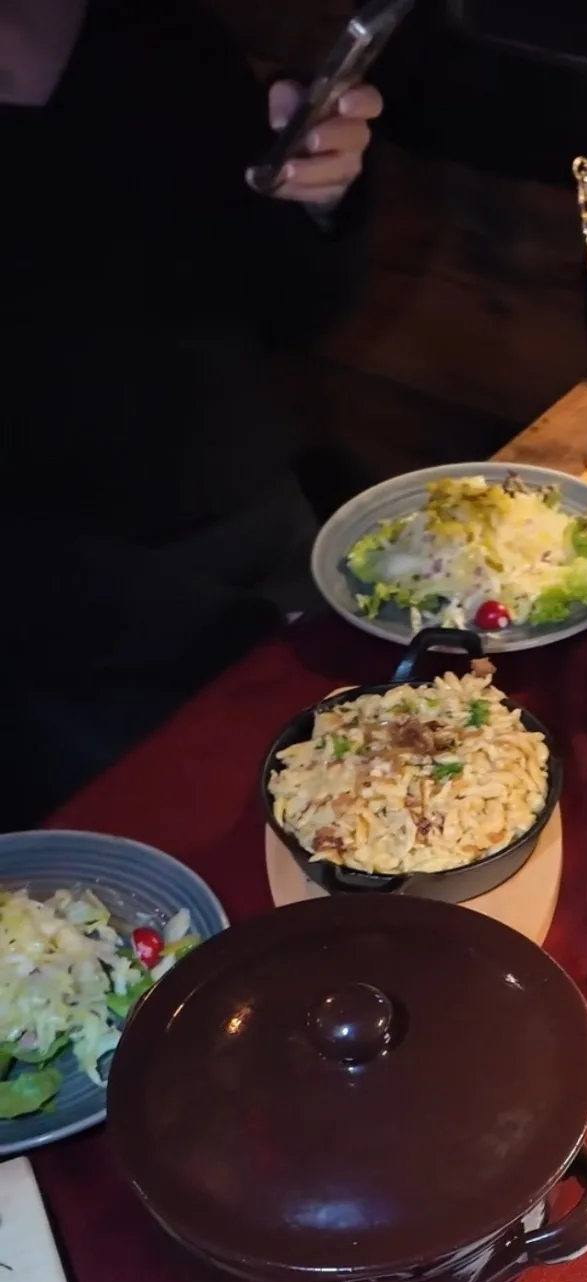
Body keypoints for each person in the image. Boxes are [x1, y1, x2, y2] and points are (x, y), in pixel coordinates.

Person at [0, 0, 383, 825]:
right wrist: (217, 630)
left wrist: (317, 197)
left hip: (272, 556)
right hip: (63, 649)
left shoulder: (151, 39)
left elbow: (288, 310)